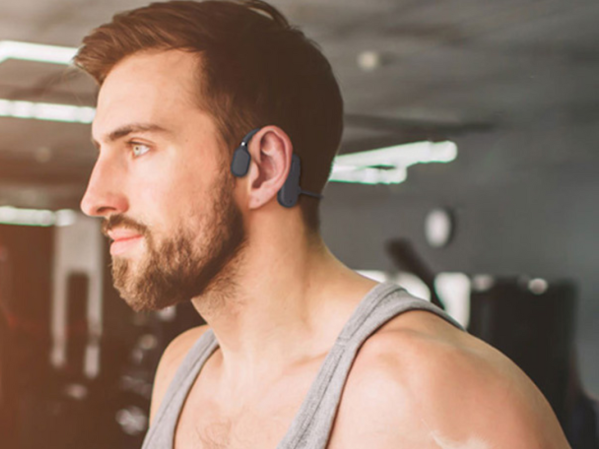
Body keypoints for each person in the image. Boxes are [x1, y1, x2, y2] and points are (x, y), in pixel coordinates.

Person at [76, 1, 571, 447]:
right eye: (103, 151)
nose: (94, 199)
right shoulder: (183, 367)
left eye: (138, 147)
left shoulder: (440, 393)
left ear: (264, 167)